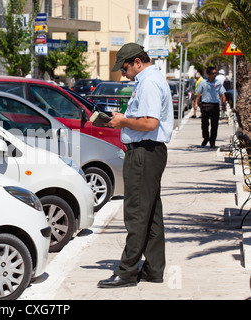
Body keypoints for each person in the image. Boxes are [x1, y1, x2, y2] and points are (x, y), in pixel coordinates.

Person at [97, 43, 174, 288]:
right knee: (150, 214)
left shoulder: (149, 82)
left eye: (125, 67)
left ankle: (127, 271)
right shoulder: (148, 80)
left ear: (138, 62)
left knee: (136, 214)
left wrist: (123, 122)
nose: (123, 73)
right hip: (148, 152)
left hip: (144, 152)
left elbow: (150, 124)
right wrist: (123, 121)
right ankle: (153, 269)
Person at [193, 66, 226, 149]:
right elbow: (198, 94)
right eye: (212, 73)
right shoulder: (203, 82)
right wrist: (196, 104)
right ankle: (206, 138)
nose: (214, 75)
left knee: (214, 125)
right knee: (204, 125)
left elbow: (222, 94)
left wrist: (224, 104)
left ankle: (212, 142)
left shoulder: (218, 83)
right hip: (205, 105)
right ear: (208, 74)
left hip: (215, 105)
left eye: (215, 73)